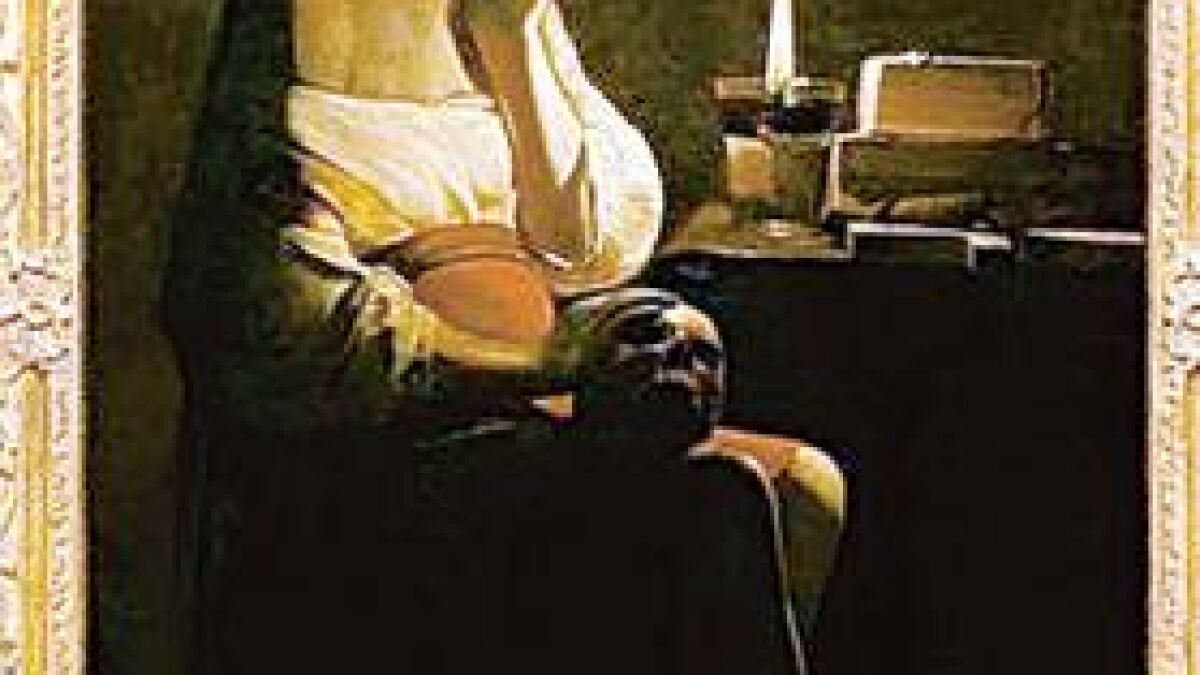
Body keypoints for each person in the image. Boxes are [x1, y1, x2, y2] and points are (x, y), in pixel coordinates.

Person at [164, 0, 845, 672]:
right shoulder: (277, 46)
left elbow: (584, 248)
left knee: (807, 486)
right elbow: (303, 326)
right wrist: (550, 361)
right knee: (717, 494)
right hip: (391, 435)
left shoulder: (501, 18)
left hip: (538, 408)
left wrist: (510, 37)